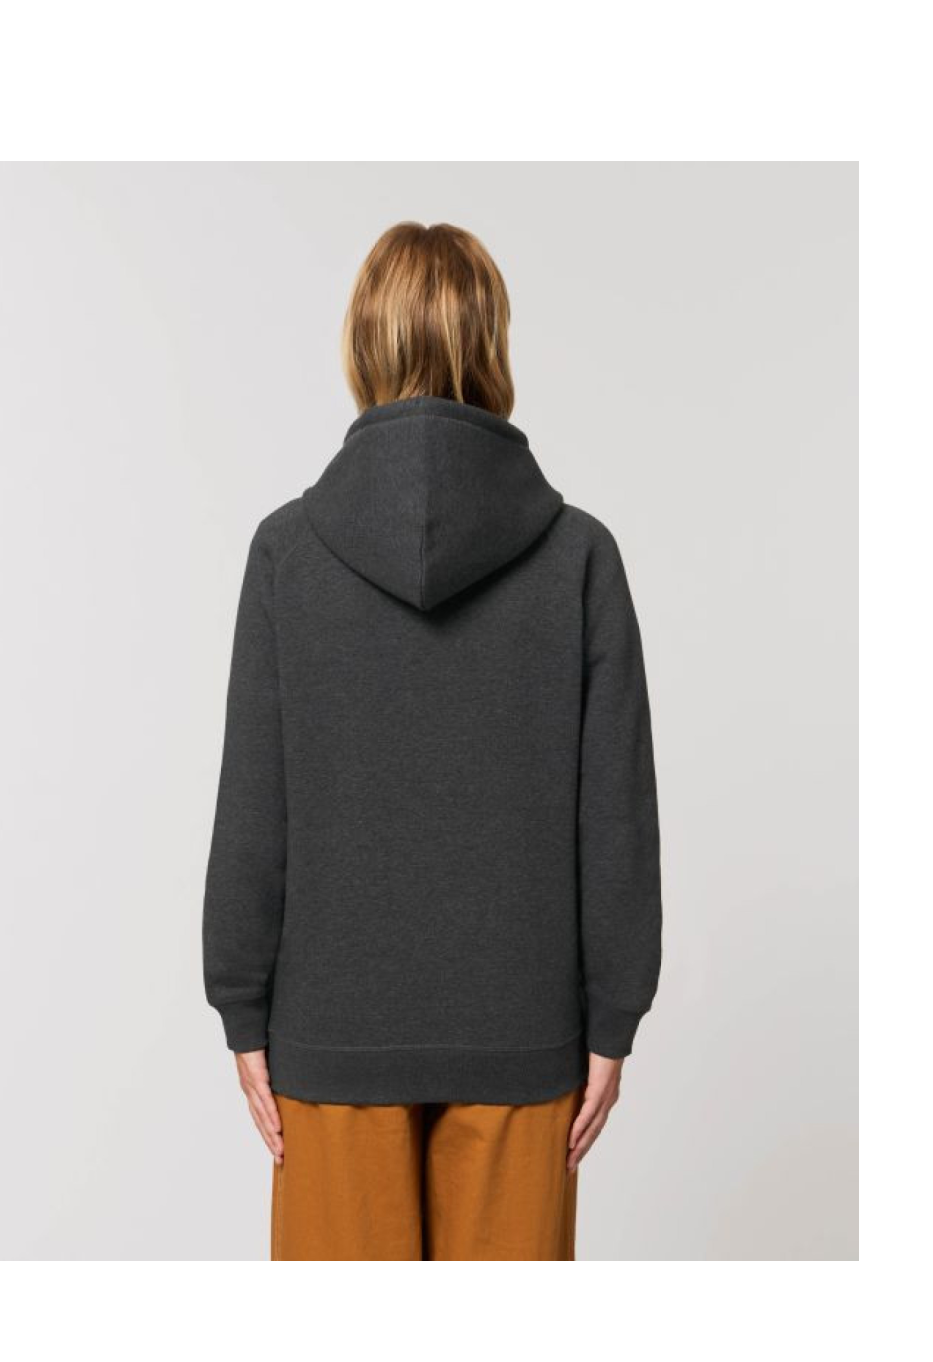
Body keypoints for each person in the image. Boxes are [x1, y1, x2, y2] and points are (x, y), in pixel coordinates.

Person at [204, 222, 661, 1261]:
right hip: (523, 1037)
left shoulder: (286, 554)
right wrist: (612, 1019)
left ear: (363, 344)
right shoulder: (579, 557)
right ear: (489, 343)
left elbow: (255, 803)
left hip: (330, 1039)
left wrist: (240, 1005)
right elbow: (616, 818)